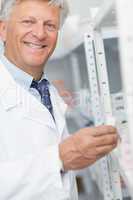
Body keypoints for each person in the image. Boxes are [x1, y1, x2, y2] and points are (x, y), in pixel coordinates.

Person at [0, 0, 119, 199]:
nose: (39, 33)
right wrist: (59, 159)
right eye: (28, 22)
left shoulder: (45, 89)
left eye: (50, 25)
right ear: (3, 29)